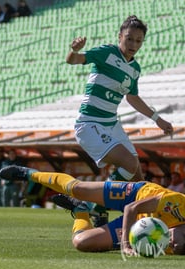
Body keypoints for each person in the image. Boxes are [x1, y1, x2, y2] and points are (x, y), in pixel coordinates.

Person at [0, 165, 185, 255]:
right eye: (174, 241)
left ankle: (81, 212)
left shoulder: (182, 244)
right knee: (77, 188)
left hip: (139, 224)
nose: (170, 243)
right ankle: (29, 174)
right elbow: (131, 209)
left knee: (82, 243)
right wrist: (126, 245)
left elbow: (160, 246)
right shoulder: (176, 205)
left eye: (173, 247)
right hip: (136, 196)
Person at [66, 15, 173, 183]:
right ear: (120, 37)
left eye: (139, 41)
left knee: (137, 177)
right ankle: (93, 206)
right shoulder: (107, 52)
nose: (134, 45)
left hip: (112, 125)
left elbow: (132, 97)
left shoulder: (135, 69)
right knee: (129, 163)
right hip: (90, 124)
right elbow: (74, 60)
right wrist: (74, 51)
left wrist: (157, 119)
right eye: (129, 39)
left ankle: (129, 209)